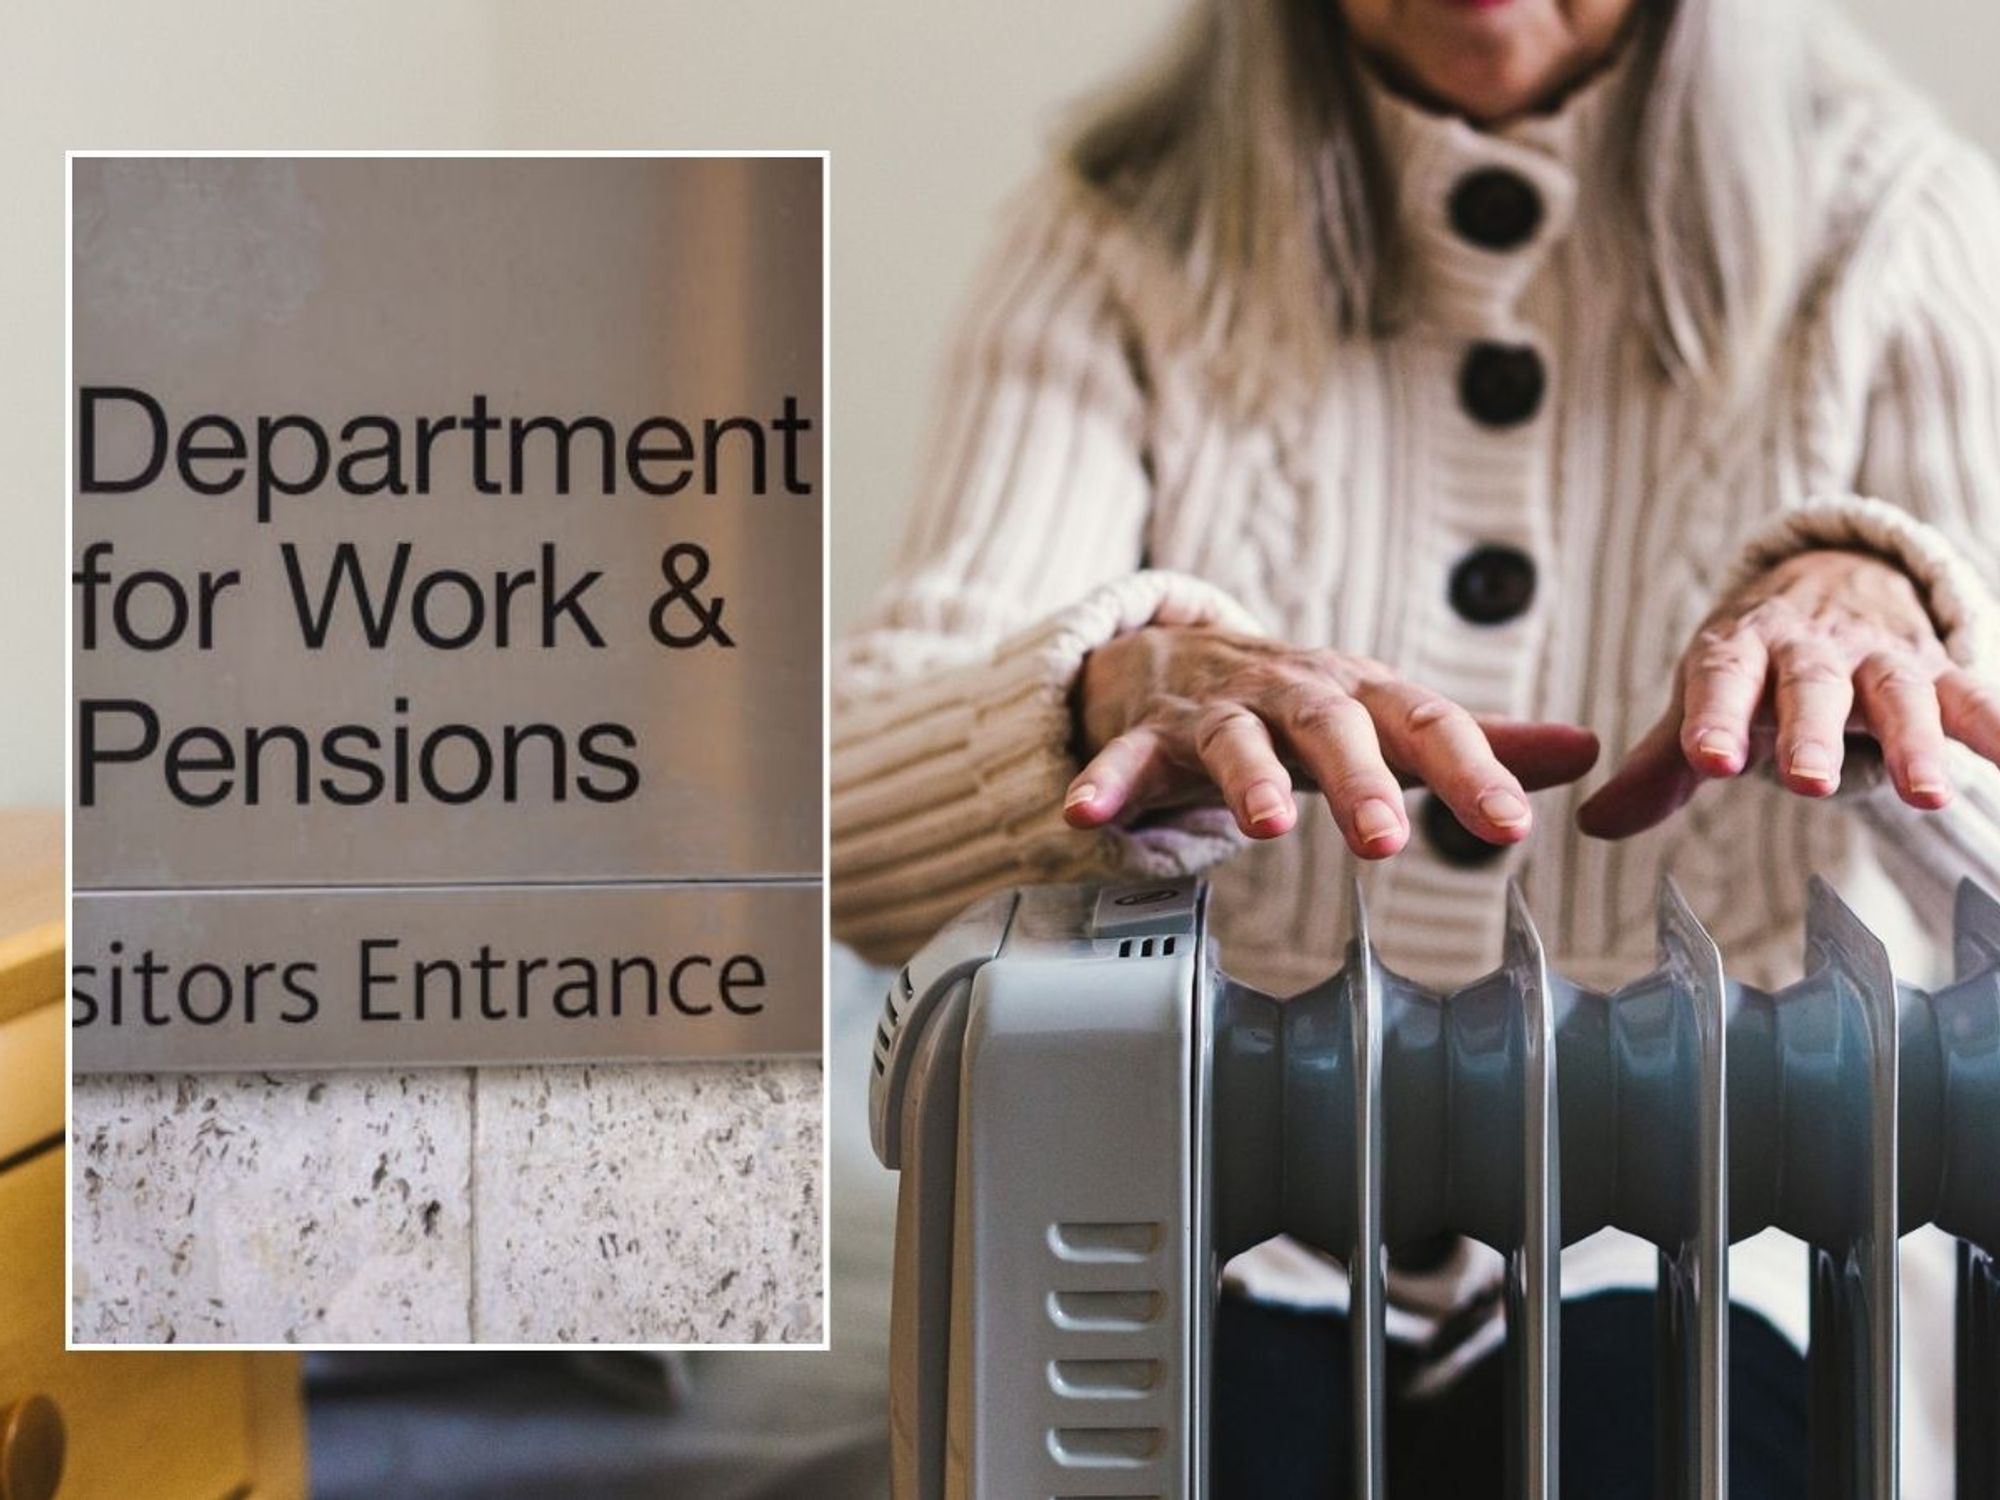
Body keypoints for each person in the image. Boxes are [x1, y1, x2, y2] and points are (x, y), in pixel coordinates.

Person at [831, 0, 2000, 1492]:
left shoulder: (1898, 226)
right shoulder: (1116, 229)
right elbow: (839, 842)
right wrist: (1098, 699)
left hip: (1728, 1236)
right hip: (1211, 1213)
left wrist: (1900, 624)